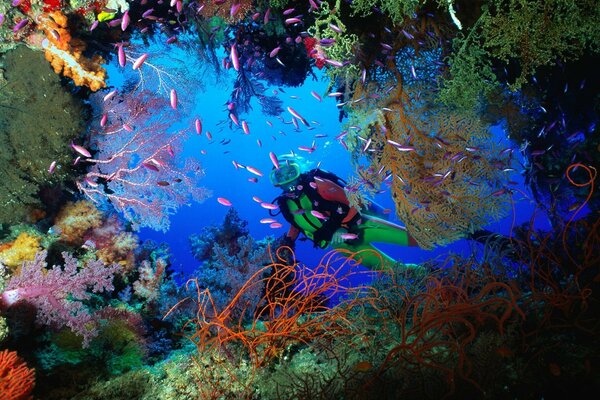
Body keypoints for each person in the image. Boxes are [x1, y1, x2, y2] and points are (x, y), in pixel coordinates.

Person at [269, 154, 418, 271]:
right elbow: (298, 224)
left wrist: (342, 227)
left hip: (360, 227)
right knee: (395, 270)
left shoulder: (319, 185)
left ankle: (436, 235)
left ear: (299, 171)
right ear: (275, 182)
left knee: (416, 239)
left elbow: (354, 202)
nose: (286, 179)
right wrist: (287, 243)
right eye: (279, 176)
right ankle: (423, 273)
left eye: (290, 173)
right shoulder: (285, 204)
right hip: (340, 245)